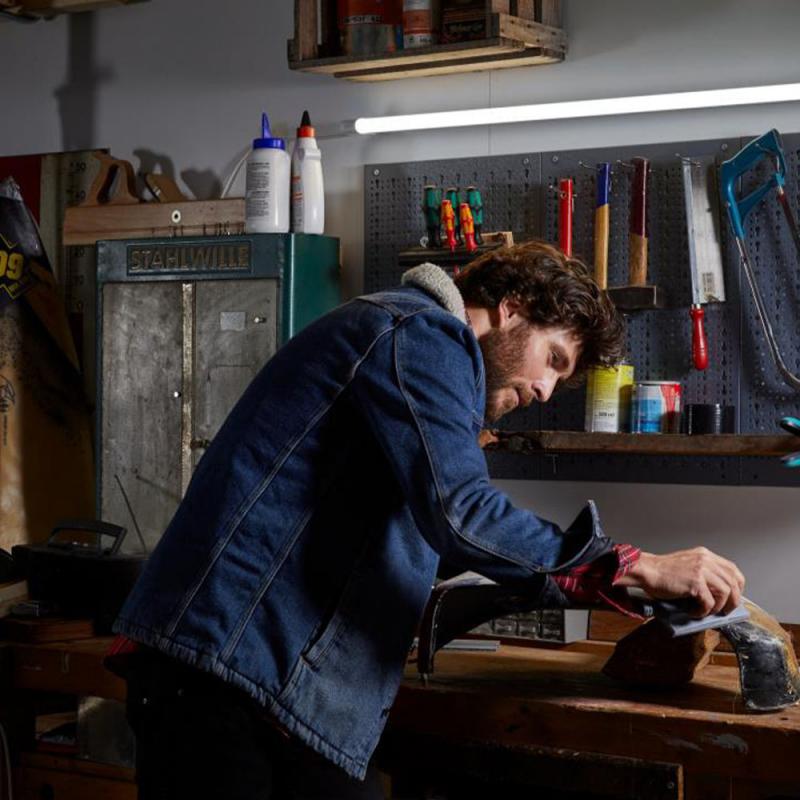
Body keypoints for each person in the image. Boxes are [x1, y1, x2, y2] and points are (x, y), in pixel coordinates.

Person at [110, 240, 745, 799]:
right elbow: (462, 515)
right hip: (226, 677)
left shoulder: (406, 344)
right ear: (512, 307)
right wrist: (636, 565)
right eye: (553, 358)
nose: (546, 391)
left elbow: (427, 538)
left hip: (253, 679)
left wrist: (593, 583)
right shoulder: (421, 332)